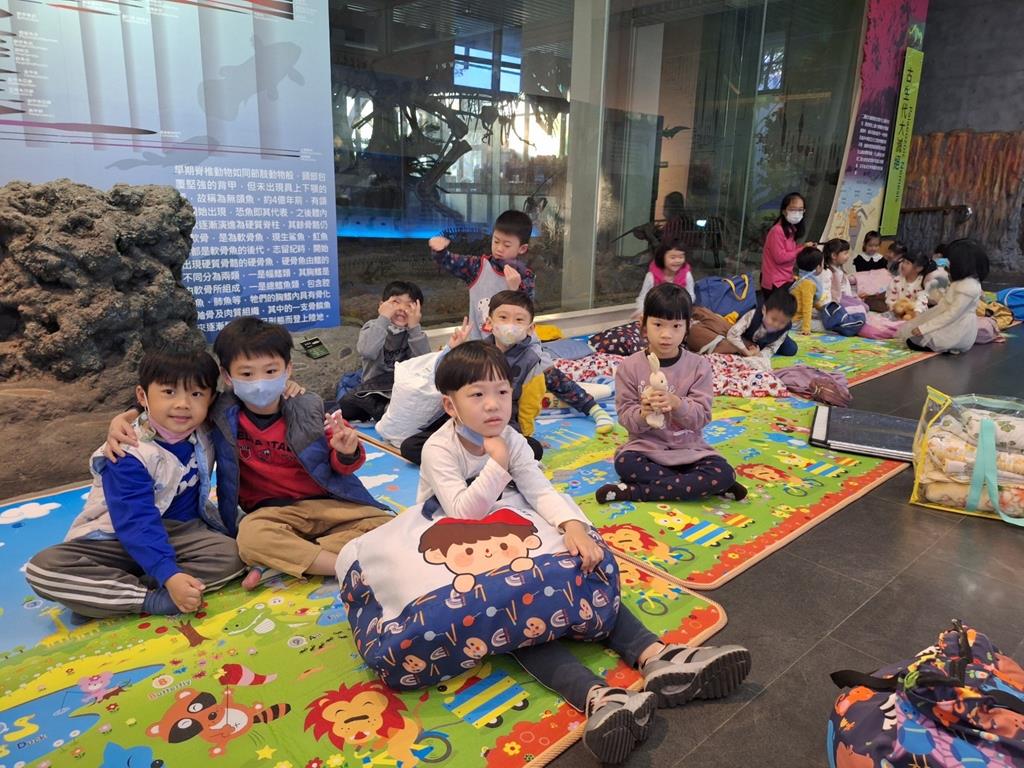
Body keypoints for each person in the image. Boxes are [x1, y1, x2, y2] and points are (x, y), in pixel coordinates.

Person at [419, 341, 751, 764]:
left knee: (583, 565)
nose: (493, 404)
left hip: (508, 533)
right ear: (450, 406)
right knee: (513, 612)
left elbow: (539, 490)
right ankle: (599, 698)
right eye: (477, 394)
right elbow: (462, 514)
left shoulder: (511, 439)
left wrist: (572, 526)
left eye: (502, 392)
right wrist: (497, 465)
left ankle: (657, 656)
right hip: (458, 554)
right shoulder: (439, 448)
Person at [106, 317, 393, 588]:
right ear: (227, 376)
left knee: (389, 525)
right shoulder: (220, 412)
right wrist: (127, 416)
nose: (259, 382)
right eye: (246, 373)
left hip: (330, 504)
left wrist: (346, 451)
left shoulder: (310, 406)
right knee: (251, 538)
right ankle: (346, 566)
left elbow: (343, 465)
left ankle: (285, 560)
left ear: (288, 370)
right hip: (272, 514)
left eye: (271, 371)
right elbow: (178, 400)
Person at [26, 348, 246, 620]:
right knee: (43, 568)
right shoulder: (126, 452)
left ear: (210, 399)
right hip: (117, 536)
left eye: (196, 394)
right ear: (143, 396)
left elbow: (247, 398)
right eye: (169, 392)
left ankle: (112, 593)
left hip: (182, 533)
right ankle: (150, 598)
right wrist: (169, 573)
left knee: (234, 555)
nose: (183, 404)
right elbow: (135, 522)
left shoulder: (207, 426)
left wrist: (287, 389)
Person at [428, 210, 613, 435]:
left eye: (507, 244)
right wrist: (440, 251)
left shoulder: (524, 275)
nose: (499, 248)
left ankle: (592, 408)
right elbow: (451, 262)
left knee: (548, 372)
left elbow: (525, 311)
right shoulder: (478, 266)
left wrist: (516, 288)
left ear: (522, 249)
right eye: (496, 241)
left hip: (519, 343)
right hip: (483, 347)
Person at [596, 283, 748, 505]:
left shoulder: (699, 366)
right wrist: (643, 414)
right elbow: (626, 418)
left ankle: (634, 492)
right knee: (625, 464)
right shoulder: (629, 367)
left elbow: (701, 418)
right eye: (658, 324)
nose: (666, 335)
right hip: (645, 450)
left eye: (676, 326)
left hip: (690, 450)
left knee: (723, 472)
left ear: (687, 328)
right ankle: (702, 486)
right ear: (644, 325)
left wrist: (678, 404)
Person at [400, 291, 547, 464]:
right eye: (503, 317)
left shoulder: (532, 361)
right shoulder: (477, 349)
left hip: (498, 426)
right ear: (489, 322)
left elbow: (529, 406)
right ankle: (477, 458)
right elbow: (443, 378)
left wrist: (522, 438)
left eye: (519, 320)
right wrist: (451, 350)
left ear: (531, 328)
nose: (510, 325)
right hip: (466, 421)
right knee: (410, 446)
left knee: (533, 449)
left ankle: (473, 458)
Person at [338, 280, 429, 423]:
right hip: (373, 390)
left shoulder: (414, 334)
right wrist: (384, 318)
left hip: (401, 390)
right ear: (382, 306)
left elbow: (425, 364)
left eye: (409, 305)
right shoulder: (373, 327)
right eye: (396, 302)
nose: (402, 308)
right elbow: (367, 351)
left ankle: (392, 413)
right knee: (352, 405)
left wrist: (414, 328)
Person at [899, 239, 988, 354]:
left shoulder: (968, 287)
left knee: (914, 340)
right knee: (911, 334)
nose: (947, 264)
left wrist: (924, 328)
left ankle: (950, 346)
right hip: (945, 316)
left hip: (957, 327)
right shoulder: (962, 281)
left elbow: (952, 314)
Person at [761, 192, 815, 299]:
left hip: (785, 279)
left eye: (800, 210)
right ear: (784, 211)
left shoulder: (791, 229)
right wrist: (802, 249)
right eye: (793, 209)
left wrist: (804, 246)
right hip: (775, 283)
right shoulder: (777, 231)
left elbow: (789, 251)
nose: (797, 213)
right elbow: (780, 258)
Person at [723, 289, 799, 361]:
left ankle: (770, 340)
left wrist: (760, 355)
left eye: (782, 323)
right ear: (764, 310)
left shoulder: (784, 328)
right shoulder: (752, 315)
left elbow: (772, 348)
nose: (776, 325)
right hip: (749, 335)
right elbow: (732, 334)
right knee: (735, 345)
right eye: (773, 319)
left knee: (791, 350)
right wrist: (746, 352)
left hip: (771, 338)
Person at [632, 237, 695, 319]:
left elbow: (690, 296)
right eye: (673, 257)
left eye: (681, 257)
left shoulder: (687, 275)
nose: (677, 261)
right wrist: (641, 311)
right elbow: (643, 297)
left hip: (678, 314)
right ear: (662, 257)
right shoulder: (651, 276)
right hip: (656, 313)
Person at [886, 252, 944, 317]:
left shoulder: (923, 282)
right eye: (903, 261)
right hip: (897, 314)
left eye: (907, 263)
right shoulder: (896, 280)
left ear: (919, 268)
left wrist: (914, 313)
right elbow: (891, 299)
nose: (903, 265)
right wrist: (894, 308)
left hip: (916, 316)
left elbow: (921, 302)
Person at [789, 246, 826, 335]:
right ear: (818, 267)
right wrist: (806, 328)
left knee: (823, 316)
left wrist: (821, 308)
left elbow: (810, 301)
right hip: (796, 321)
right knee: (826, 325)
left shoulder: (801, 278)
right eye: (823, 264)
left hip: (794, 318)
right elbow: (807, 307)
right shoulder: (808, 284)